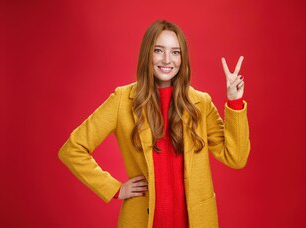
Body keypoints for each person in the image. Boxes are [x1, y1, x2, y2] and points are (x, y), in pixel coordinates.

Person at [58, 20, 250, 228]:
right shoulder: (122, 100)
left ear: (182, 58)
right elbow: (72, 149)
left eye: (175, 52)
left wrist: (234, 102)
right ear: (147, 54)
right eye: (159, 50)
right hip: (142, 220)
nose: (167, 59)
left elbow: (236, 157)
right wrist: (114, 188)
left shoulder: (200, 103)